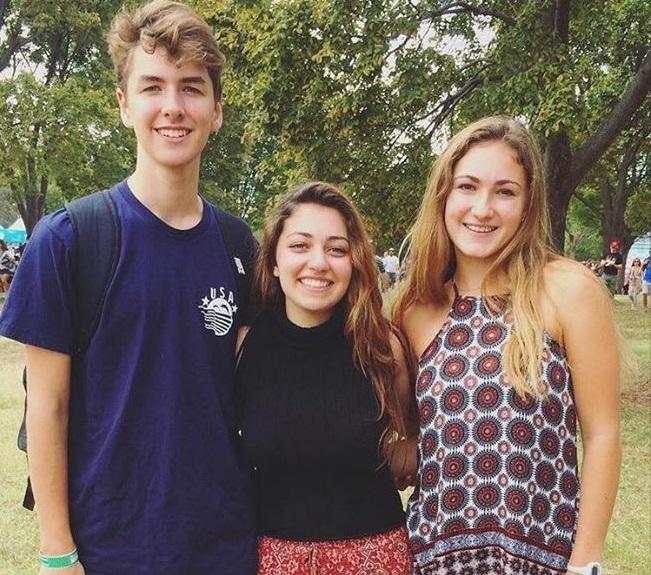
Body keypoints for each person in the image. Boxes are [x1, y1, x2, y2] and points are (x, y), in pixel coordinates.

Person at [0, 2, 257, 574]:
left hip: (226, 546)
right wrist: (57, 550)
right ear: (123, 105)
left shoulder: (240, 247)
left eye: (192, 88)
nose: (173, 107)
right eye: (152, 87)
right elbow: (47, 408)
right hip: (108, 549)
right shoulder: (68, 240)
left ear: (216, 111)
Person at [393, 116, 621, 575]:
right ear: (443, 196)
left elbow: (603, 435)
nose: (482, 208)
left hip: (543, 558)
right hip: (434, 559)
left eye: (505, 191)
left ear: (528, 203)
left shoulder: (566, 290)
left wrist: (585, 563)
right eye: (468, 187)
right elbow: (409, 443)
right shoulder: (414, 310)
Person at [236, 182, 418, 575]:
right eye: (300, 246)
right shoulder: (245, 347)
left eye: (336, 249)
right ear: (273, 261)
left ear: (353, 262)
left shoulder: (383, 347)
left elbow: (410, 436)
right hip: (272, 559)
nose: (318, 262)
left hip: (375, 558)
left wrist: (408, 439)